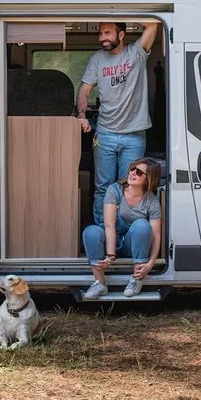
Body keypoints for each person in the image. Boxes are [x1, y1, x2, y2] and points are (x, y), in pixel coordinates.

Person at [75, 19, 161, 225]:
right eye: (100, 33)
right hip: (104, 134)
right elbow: (84, 90)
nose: (102, 37)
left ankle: (122, 235)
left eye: (107, 32)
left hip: (134, 136)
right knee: (103, 188)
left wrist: (121, 7)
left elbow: (153, 26)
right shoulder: (97, 59)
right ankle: (101, 232)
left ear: (121, 35)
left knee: (129, 187)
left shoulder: (136, 53)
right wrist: (81, 115)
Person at [82, 158, 163, 298]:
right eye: (132, 169)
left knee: (142, 225)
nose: (132, 173)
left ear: (148, 179)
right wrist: (110, 256)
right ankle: (99, 283)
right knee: (91, 232)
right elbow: (109, 225)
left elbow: (156, 235)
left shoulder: (152, 201)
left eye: (138, 172)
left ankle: (136, 280)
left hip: (133, 246)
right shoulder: (114, 190)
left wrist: (150, 264)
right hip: (113, 241)